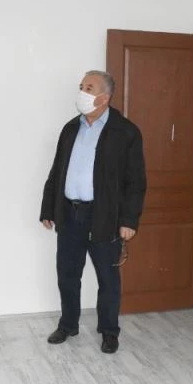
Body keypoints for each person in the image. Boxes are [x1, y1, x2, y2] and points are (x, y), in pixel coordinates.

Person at [40, 70, 146, 354]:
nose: (82, 92)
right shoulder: (70, 128)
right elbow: (57, 172)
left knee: (108, 279)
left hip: (104, 217)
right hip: (69, 214)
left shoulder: (126, 132)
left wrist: (129, 220)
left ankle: (109, 331)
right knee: (67, 275)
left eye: (89, 87)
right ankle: (68, 325)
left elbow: (136, 182)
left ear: (104, 97)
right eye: (81, 86)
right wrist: (48, 208)